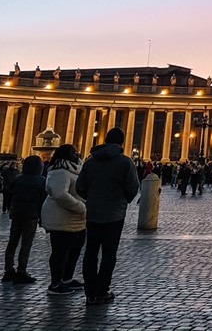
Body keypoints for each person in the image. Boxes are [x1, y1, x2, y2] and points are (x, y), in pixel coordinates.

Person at [75, 127, 140, 305]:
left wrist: (93, 199)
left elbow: (80, 186)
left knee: (90, 253)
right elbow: (133, 187)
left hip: (93, 212)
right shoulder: (125, 162)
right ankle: (102, 291)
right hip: (115, 214)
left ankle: (90, 292)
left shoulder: (90, 161)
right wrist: (122, 201)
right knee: (109, 254)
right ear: (121, 143)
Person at [41, 145, 86, 296]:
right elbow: (59, 195)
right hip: (61, 218)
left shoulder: (74, 169)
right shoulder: (59, 171)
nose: (76, 154)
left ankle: (67, 279)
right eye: (73, 153)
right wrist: (81, 207)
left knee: (74, 250)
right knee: (60, 252)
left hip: (76, 219)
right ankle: (55, 283)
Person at [2, 155, 46, 285]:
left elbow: (9, 191)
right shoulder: (41, 180)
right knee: (26, 244)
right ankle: (21, 271)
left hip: (17, 213)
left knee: (12, 242)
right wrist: (42, 218)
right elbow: (42, 200)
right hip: (31, 215)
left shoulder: (19, 179)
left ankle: (8, 270)